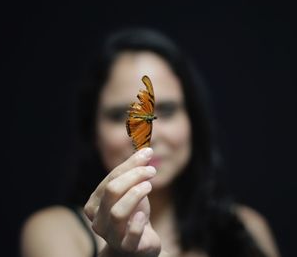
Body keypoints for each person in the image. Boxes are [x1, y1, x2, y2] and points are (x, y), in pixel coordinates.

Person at [21, 28, 280, 257]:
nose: (149, 134)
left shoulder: (249, 227)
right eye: (119, 115)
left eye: (166, 111)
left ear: (192, 120)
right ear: (93, 132)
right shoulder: (55, 231)